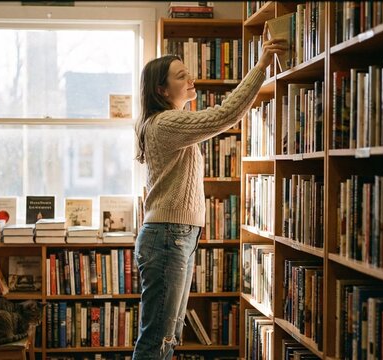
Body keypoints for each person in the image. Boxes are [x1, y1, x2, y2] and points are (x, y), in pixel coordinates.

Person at [133, 23, 287, 360]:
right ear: (161, 90)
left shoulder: (171, 123)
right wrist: (261, 66)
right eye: (181, 75)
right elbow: (225, 115)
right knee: (158, 337)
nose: (191, 80)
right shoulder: (166, 123)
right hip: (168, 236)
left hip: (175, 235)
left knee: (168, 335)